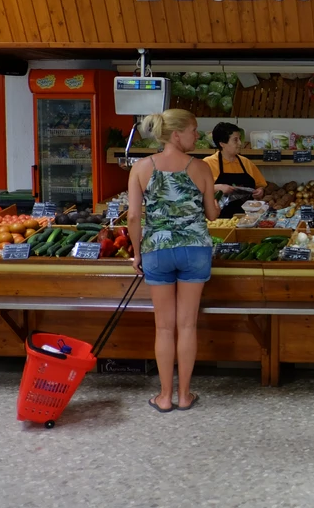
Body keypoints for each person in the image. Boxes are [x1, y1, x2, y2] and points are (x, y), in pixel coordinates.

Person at [127, 109, 220, 413]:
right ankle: (185, 395)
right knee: (187, 325)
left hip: (157, 249)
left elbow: (132, 217)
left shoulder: (141, 168)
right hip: (195, 249)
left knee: (164, 328)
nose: (198, 135)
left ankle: (164, 396)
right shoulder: (201, 168)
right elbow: (212, 214)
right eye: (194, 130)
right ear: (177, 134)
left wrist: (137, 254)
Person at [205, 122, 266, 219]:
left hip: (247, 220)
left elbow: (260, 186)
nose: (240, 143)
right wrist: (217, 187)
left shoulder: (246, 163)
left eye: (239, 139)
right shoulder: (207, 164)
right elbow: (195, 191)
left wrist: (260, 192)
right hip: (219, 222)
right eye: (235, 140)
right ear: (222, 144)